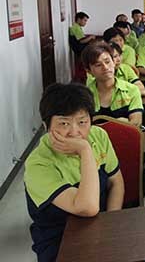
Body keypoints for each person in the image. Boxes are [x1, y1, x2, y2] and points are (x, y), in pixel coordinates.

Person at [25, 83, 124, 262]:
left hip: (101, 227)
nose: (74, 132)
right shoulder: (38, 164)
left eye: (82, 122)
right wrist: (85, 151)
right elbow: (87, 207)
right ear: (46, 126)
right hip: (59, 239)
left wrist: (111, 224)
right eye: (64, 123)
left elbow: (116, 183)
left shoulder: (98, 136)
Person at [82, 42, 143, 127]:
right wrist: (117, 122)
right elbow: (82, 126)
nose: (105, 68)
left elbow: (136, 123)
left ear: (114, 62)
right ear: (89, 71)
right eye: (98, 65)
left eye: (107, 62)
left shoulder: (131, 90)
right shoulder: (84, 96)